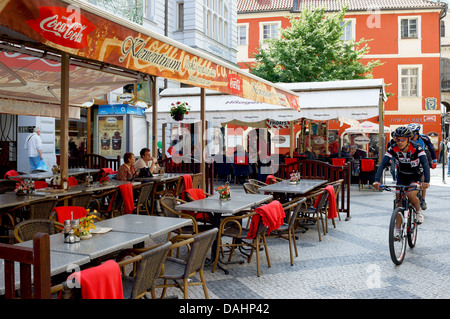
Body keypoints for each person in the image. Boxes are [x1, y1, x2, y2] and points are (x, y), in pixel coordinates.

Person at [373, 126, 430, 224]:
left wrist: (426, 181)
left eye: (402, 140)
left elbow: (425, 164)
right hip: (402, 176)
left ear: (408, 139)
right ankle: (398, 230)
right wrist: (377, 180)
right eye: (397, 139)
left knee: (410, 195)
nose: (399, 142)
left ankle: (418, 211)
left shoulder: (417, 148)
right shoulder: (393, 148)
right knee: (398, 201)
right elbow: (383, 164)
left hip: (415, 176)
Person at [407, 123, 437, 210]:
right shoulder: (407, 139)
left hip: (422, 159)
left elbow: (431, 148)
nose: (410, 134)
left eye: (411, 132)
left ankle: (423, 200)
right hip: (411, 160)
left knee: (423, 179)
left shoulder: (424, 138)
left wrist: (434, 161)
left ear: (416, 132)